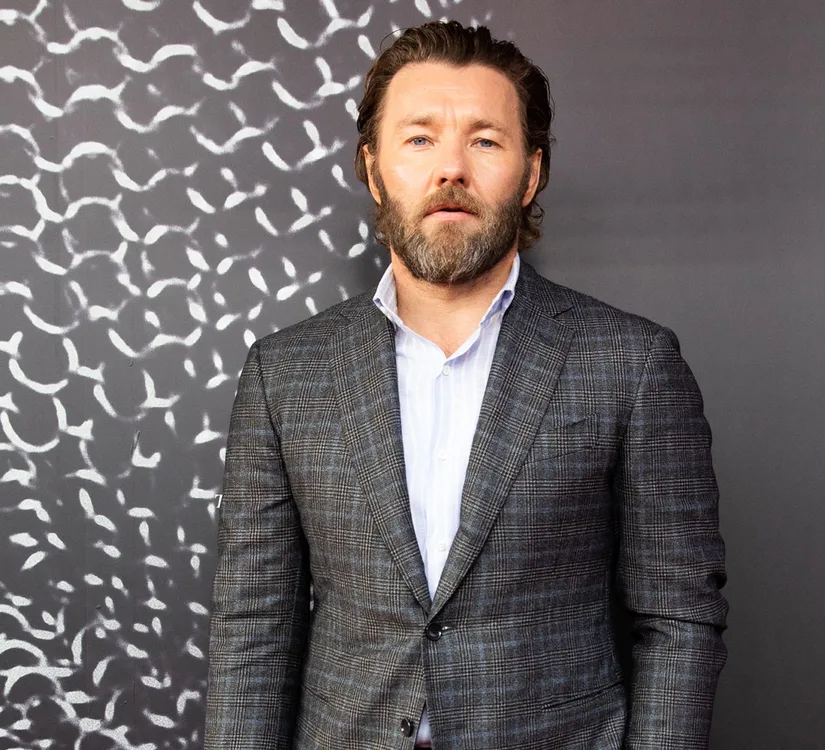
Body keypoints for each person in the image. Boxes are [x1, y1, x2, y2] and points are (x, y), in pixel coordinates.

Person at [204, 20, 727, 750]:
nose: (451, 168)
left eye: (485, 141)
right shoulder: (284, 373)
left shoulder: (632, 363)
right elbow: (254, 629)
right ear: (374, 168)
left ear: (531, 173)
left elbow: (677, 621)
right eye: (420, 138)